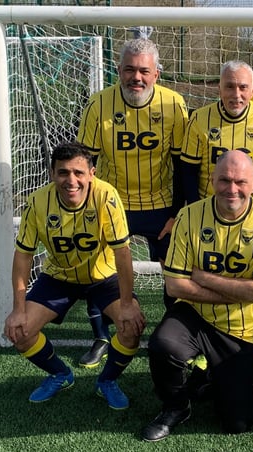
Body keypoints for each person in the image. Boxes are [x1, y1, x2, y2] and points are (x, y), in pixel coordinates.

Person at [141, 150, 253, 441]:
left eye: (240, 182)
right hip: (195, 313)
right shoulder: (189, 216)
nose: (232, 188)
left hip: (245, 326)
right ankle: (176, 407)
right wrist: (238, 292)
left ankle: (218, 374)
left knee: (236, 423)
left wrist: (203, 277)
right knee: (163, 345)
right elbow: (175, 286)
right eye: (224, 180)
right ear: (211, 180)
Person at [3, 142, 146, 410]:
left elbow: (122, 253)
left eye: (78, 173)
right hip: (59, 277)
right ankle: (60, 374)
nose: (71, 181)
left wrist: (127, 304)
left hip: (103, 277)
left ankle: (107, 381)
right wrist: (18, 309)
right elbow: (23, 256)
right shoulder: (37, 202)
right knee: (20, 332)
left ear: (91, 173)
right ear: (52, 174)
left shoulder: (106, 195)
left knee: (131, 327)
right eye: (63, 173)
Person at [77, 38, 188, 367]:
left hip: (160, 205)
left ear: (156, 74)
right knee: (96, 271)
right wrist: (88, 207)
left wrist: (177, 213)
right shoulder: (98, 104)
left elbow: (183, 164)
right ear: (118, 70)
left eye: (143, 71)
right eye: (129, 70)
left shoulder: (174, 104)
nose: (136, 77)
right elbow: (85, 162)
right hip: (112, 205)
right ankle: (101, 336)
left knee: (176, 274)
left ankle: (174, 332)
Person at [180, 60, 253, 207]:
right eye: (229, 87)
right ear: (220, 89)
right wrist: (197, 210)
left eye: (243, 87)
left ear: (252, 91)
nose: (236, 94)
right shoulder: (199, 118)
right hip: (208, 206)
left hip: (248, 207)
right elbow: (188, 171)